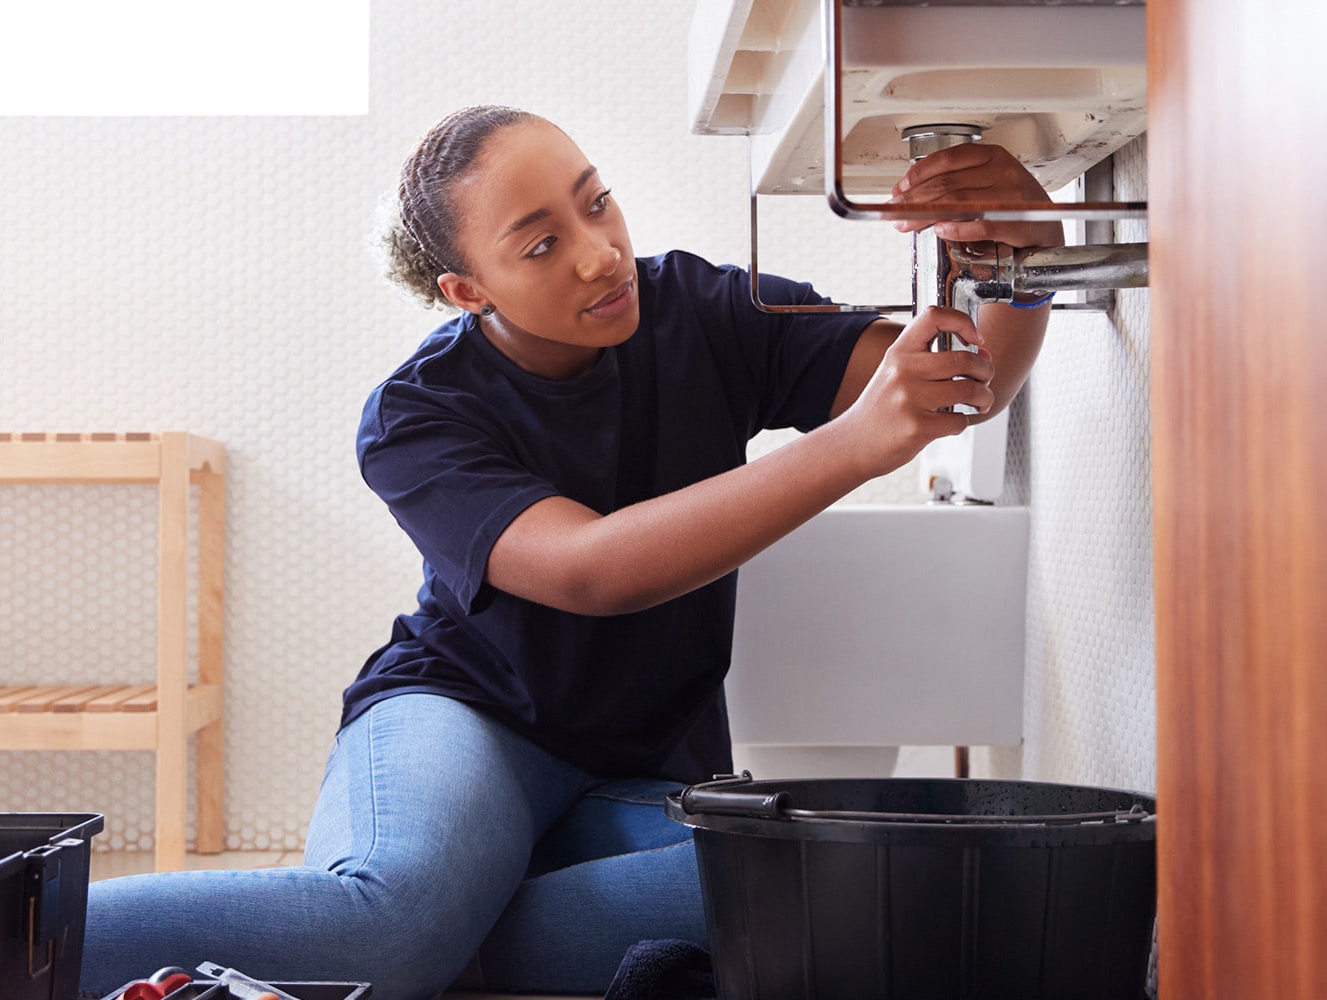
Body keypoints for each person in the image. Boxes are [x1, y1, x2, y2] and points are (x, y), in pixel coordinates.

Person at [78, 106, 1059, 1000]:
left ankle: (439, 938)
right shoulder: (417, 416)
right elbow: (594, 569)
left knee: (821, 890)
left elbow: (963, 384)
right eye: (543, 244)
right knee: (391, 918)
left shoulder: (705, 310)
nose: (599, 256)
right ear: (467, 289)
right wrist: (851, 445)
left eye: (598, 204)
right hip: (465, 716)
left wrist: (1030, 241)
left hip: (642, 759)